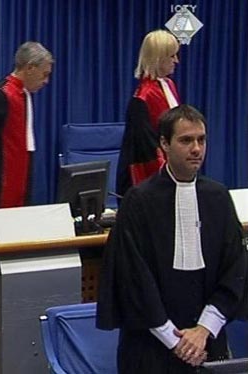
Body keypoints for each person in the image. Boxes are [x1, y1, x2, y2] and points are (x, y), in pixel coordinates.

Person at [97, 104, 247, 373]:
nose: (196, 149)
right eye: (186, 140)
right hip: (150, 345)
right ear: (164, 144)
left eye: (201, 140)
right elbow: (133, 277)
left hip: (207, 343)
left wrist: (203, 330)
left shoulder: (218, 197)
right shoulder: (139, 201)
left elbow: (234, 268)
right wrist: (173, 339)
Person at [0, 41, 53, 210]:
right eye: (44, 74)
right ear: (30, 67)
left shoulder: (25, 95)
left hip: (21, 178)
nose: (46, 81)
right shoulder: (0, 96)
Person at [116, 29, 180, 198]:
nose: (176, 61)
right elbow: (145, 149)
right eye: (172, 56)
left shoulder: (168, 86)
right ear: (158, 58)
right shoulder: (142, 97)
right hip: (150, 175)